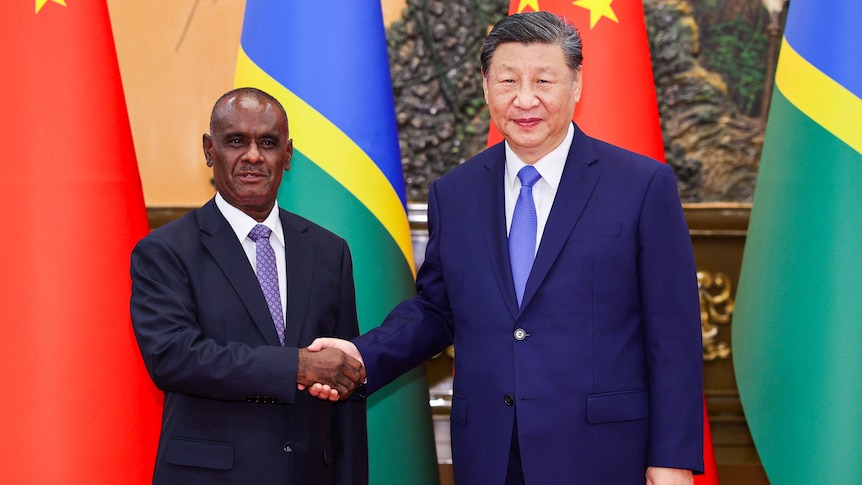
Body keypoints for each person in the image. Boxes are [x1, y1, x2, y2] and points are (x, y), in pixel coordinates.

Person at [309, 11, 703, 485]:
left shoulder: (641, 186)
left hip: (604, 453)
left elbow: (674, 336)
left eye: (544, 80)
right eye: (509, 80)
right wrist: (358, 355)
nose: (525, 99)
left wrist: (672, 458)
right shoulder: (455, 193)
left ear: (576, 84)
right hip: (492, 454)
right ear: (485, 86)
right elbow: (437, 310)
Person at [130, 87, 368, 484]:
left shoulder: (330, 251)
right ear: (209, 150)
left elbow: (343, 384)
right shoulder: (165, 251)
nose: (254, 156)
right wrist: (299, 366)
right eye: (237, 141)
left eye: (269, 143)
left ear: (288, 155)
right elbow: (174, 358)